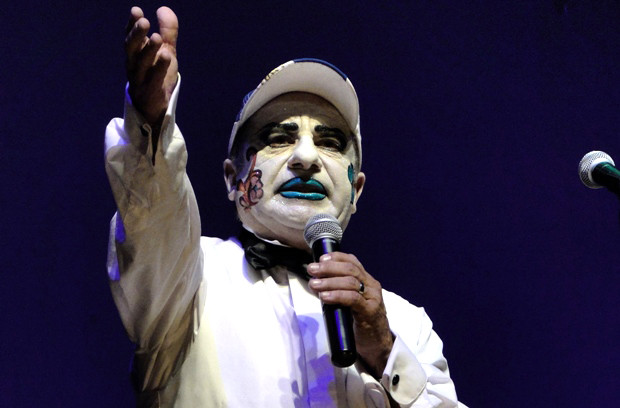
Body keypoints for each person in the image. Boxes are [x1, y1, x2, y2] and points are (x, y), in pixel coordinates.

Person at [104, 6, 463, 407]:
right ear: (233, 178)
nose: (306, 157)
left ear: (356, 190)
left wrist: (384, 349)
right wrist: (150, 123)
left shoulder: (406, 324)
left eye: (329, 143)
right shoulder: (187, 280)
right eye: (278, 138)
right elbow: (154, 214)